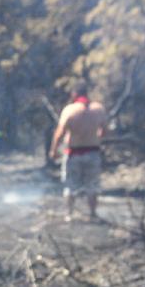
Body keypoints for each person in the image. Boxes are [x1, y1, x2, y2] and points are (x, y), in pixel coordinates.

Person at [49, 81, 107, 221]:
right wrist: (95, 137)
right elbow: (105, 130)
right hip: (93, 152)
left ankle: (69, 213)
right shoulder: (98, 109)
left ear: (74, 94)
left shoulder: (69, 110)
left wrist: (54, 150)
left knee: (70, 184)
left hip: (73, 153)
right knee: (92, 185)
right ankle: (93, 214)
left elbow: (59, 132)